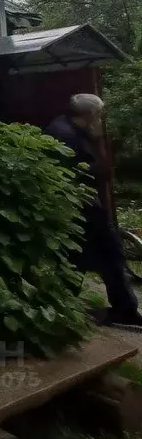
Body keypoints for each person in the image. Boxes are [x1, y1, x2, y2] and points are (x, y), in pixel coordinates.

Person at [46, 93, 142, 326]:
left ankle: (61, 306)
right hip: (84, 207)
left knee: (81, 256)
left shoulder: (65, 127)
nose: (101, 117)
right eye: (99, 113)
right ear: (90, 114)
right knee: (109, 253)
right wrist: (101, 162)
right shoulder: (68, 136)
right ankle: (122, 309)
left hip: (78, 206)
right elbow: (81, 172)